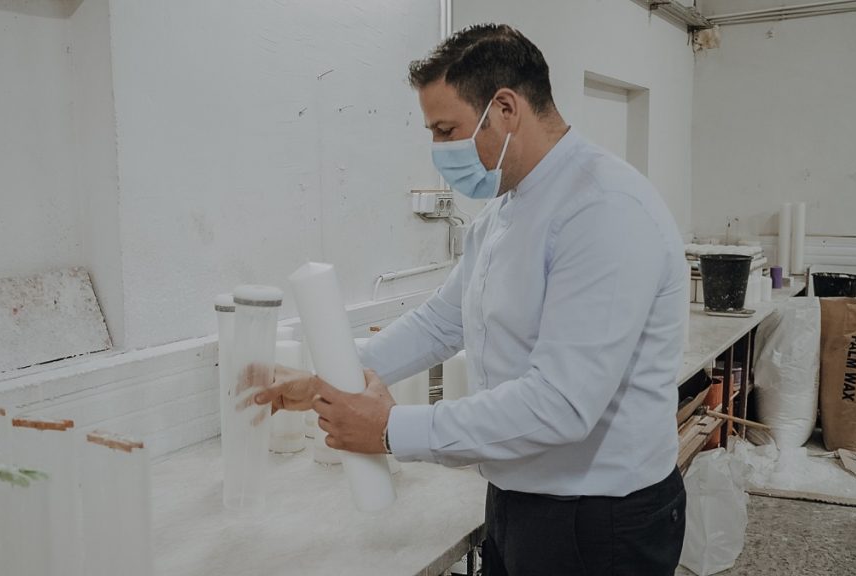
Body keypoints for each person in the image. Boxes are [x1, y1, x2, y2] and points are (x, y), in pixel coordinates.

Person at [256, 23, 688, 575]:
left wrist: (390, 429)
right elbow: (442, 321)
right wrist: (329, 379)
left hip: (597, 518)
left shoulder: (604, 211)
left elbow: (561, 404)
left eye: (446, 130)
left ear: (505, 109)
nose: (439, 151)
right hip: (518, 496)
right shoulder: (507, 209)